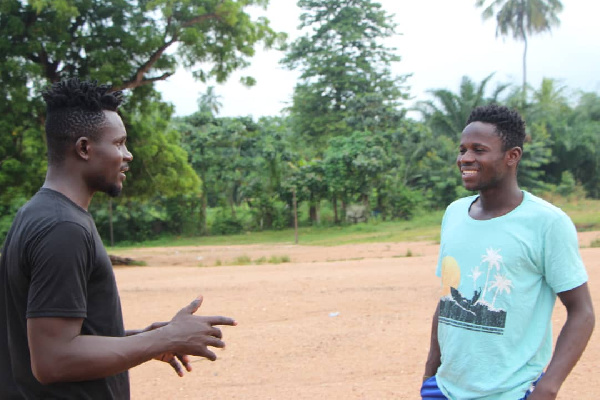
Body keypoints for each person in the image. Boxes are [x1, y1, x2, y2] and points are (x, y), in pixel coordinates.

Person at [0, 78, 236, 399]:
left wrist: (140, 340)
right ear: (84, 148)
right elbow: (53, 360)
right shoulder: (63, 228)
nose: (129, 155)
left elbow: (46, 337)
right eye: (119, 143)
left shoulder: (38, 213)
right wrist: (165, 340)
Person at [421, 104, 595, 399]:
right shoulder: (453, 213)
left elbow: (582, 312)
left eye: (478, 150)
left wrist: (548, 387)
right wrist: (430, 374)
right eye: (462, 149)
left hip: (511, 392)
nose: (465, 158)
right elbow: (448, 298)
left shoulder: (547, 223)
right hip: (445, 389)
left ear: (512, 156)